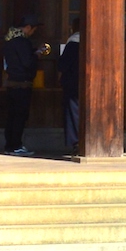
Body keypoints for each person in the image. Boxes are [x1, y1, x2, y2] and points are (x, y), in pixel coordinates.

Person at [2, 14, 46, 156]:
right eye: (33, 30)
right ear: (28, 27)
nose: (33, 33)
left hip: (11, 83)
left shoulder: (9, 41)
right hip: (22, 84)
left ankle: (9, 145)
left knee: (11, 116)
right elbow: (27, 62)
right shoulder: (23, 42)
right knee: (20, 116)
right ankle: (16, 145)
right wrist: (37, 54)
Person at [58, 17, 83, 155]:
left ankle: (77, 142)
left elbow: (62, 65)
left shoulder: (73, 43)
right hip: (93, 83)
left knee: (74, 112)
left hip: (73, 83)